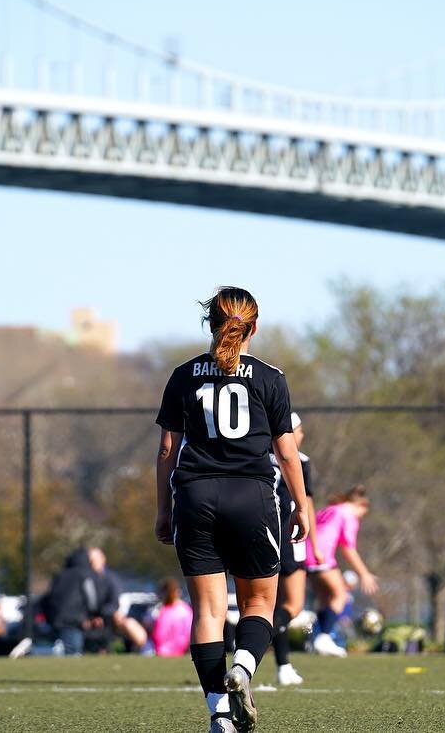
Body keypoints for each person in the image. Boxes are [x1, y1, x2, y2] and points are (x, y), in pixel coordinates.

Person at [154, 286, 310, 733]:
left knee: (208, 612)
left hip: (195, 498)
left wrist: (163, 510)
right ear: (253, 327)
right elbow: (286, 453)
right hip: (252, 500)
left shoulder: (183, 376)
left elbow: (167, 450)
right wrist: (300, 507)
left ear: (210, 324)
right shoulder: (270, 377)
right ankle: (242, 667)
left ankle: (218, 714)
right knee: (260, 602)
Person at [271, 411, 317, 685]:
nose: (301, 436)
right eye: (298, 431)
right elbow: (306, 504)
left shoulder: (256, 455)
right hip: (289, 534)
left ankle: (249, 656)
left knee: (265, 605)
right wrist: (316, 544)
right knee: (292, 605)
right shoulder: (299, 461)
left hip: (257, 534)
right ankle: (283, 665)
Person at [305, 485, 377, 657]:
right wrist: (364, 573)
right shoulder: (348, 514)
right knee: (341, 595)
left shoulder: (330, 509)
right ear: (361, 506)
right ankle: (324, 637)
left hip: (305, 554)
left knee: (325, 599)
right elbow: (348, 549)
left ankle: (319, 639)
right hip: (320, 555)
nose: (361, 518)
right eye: (363, 514)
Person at [88, 547, 149, 653]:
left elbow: (114, 603)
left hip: (110, 618)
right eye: (90, 560)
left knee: (131, 627)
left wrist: (102, 615)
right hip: (91, 620)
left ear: (103, 559)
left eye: (95, 559)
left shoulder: (111, 579)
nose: (92, 563)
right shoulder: (85, 579)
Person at [43, 549, 97, 655]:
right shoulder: (84, 574)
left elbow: (50, 597)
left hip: (56, 618)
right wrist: (92, 614)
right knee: (73, 649)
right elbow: (91, 598)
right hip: (75, 620)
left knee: (62, 645)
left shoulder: (60, 575)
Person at [153, 577, 194, 657]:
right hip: (180, 649)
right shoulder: (186, 609)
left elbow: (158, 634)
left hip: (162, 650)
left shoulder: (161, 610)